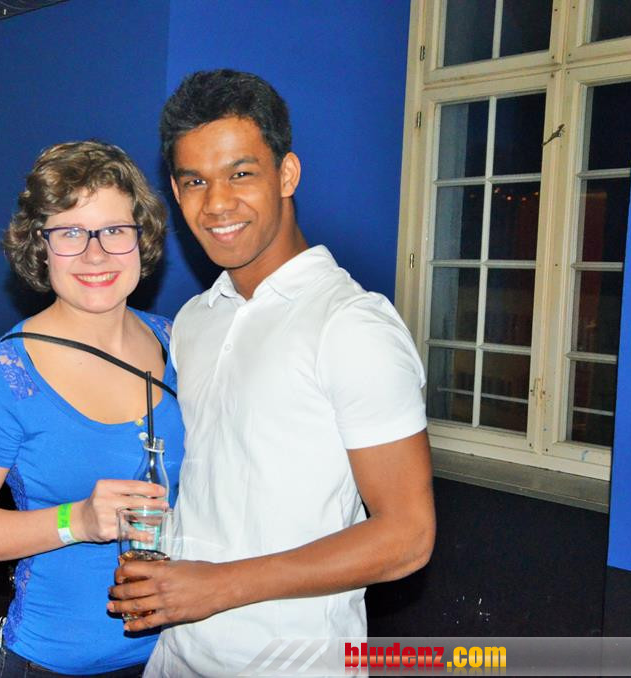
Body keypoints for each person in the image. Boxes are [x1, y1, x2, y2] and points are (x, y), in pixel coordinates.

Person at [108, 69, 436, 675]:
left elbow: (408, 537)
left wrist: (219, 585)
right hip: (177, 653)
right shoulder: (195, 320)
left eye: (241, 174)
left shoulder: (350, 324)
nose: (217, 203)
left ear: (286, 175)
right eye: (195, 181)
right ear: (176, 192)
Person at [0, 140, 185, 677]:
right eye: (69, 233)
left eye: (114, 230)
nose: (95, 254)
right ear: (40, 248)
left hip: (182, 652)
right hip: (58, 662)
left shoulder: (179, 343)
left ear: (142, 239)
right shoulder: (7, 376)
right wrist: (77, 520)